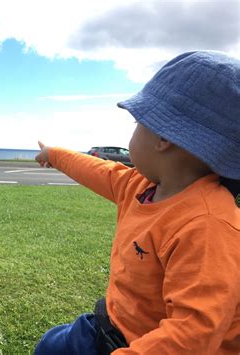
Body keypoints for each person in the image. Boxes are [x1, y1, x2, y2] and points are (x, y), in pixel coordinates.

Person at [34, 51, 239, 354]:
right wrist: (54, 154)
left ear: (163, 138)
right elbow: (99, 170)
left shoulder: (209, 225)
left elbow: (194, 333)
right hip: (115, 325)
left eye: (136, 122)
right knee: (52, 345)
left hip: (146, 345)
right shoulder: (141, 186)